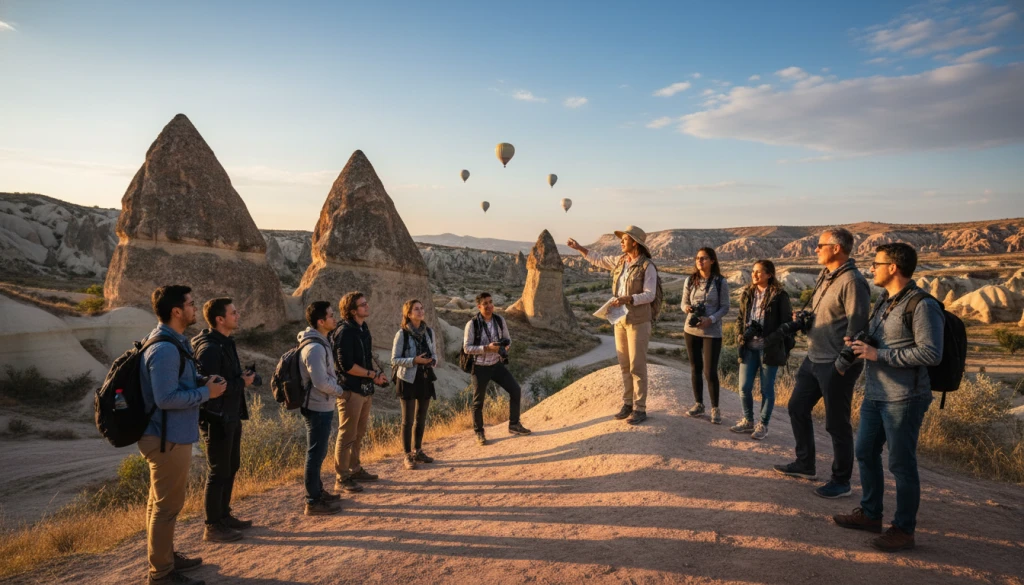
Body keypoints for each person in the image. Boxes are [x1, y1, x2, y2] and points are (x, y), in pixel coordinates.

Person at [833, 243, 943, 552]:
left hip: (905, 397)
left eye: (877, 263)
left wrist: (877, 354)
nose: (872, 268)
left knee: (901, 464)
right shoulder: (885, 300)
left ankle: (904, 529)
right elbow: (881, 341)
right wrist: (858, 344)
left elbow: (931, 353)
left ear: (893, 267)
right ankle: (870, 514)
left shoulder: (922, 305)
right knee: (865, 452)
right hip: (876, 394)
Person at [774, 227, 871, 499]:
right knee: (796, 407)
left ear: (837, 248)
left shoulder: (852, 281)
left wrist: (843, 364)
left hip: (835, 363)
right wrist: (805, 319)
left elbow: (858, 327)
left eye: (820, 245)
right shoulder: (827, 276)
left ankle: (842, 481)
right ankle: (805, 464)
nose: (815, 249)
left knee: (836, 423)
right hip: (814, 357)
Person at [139, 285, 225, 585]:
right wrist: (206, 392)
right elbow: (165, 398)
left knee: (159, 505)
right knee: (166, 507)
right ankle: (161, 574)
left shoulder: (173, 342)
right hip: (167, 438)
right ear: (177, 311)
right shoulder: (164, 348)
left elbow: (177, 382)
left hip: (169, 435)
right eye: (190, 304)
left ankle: (166, 557)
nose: (193, 308)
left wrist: (201, 380)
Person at [567, 225, 658, 425]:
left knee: (637, 365)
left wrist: (628, 298)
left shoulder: (647, 266)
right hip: (620, 319)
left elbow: (650, 295)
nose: (621, 242)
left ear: (635, 242)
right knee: (624, 364)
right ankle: (627, 404)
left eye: (624, 239)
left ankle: (640, 407)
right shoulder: (620, 261)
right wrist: (580, 248)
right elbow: (599, 259)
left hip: (638, 321)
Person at [192, 298, 256, 542]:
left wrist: (240, 376)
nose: (238, 315)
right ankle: (212, 525)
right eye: (234, 312)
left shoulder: (225, 343)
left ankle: (224, 516)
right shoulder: (210, 349)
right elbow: (214, 387)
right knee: (218, 471)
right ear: (220, 319)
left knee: (231, 466)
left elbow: (225, 377)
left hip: (229, 414)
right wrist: (243, 382)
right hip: (216, 418)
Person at [331, 292, 387, 493]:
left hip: (365, 389)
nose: (367, 306)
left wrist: (375, 376)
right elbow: (346, 365)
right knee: (346, 434)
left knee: (359, 433)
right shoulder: (345, 331)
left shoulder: (363, 328)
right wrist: (372, 374)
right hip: (350, 390)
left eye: (366, 303)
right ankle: (342, 476)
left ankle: (354, 469)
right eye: (363, 305)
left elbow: (365, 357)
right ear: (353, 310)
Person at [730, 260, 792, 440]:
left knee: (766, 389)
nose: (754, 275)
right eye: (753, 271)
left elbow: (787, 324)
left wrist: (769, 339)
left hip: (769, 349)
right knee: (743, 387)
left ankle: (763, 424)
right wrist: (740, 335)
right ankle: (748, 420)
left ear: (769, 274)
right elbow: (740, 318)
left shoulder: (780, 296)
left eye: (759, 272)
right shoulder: (748, 293)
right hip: (748, 347)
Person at [463, 292, 532, 445]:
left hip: (496, 365)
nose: (489, 306)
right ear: (479, 306)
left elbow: (508, 339)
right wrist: (487, 348)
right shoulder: (472, 324)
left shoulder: (499, 320)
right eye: (485, 303)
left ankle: (514, 424)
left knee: (515, 390)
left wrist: (505, 347)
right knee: (478, 402)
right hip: (480, 367)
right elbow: (467, 348)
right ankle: (479, 433)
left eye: (490, 302)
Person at [296, 301, 345, 516]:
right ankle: (312, 501)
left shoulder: (320, 342)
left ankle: (317, 492)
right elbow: (320, 382)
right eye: (331, 316)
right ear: (321, 321)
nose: (335, 319)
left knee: (319, 451)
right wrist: (339, 390)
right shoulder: (314, 348)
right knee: (315, 454)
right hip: (317, 405)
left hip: (321, 403)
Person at [682, 247, 730, 425]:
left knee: (710, 371)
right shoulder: (690, 280)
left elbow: (725, 307)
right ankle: (699, 404)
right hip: (691, 329)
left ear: (712, 261)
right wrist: (687, 309)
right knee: (695, 367)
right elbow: (683, 303)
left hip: (712, 331)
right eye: (697, 258)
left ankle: (715, 408)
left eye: (703, 258)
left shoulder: (720, 282)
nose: (700, 261)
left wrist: (711, 319)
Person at [391, 299, 439, 470]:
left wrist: (432, 361)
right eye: (416, 309)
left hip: (425, 378)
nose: (420, 312)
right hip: (407, 379)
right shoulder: (402, 334)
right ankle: (407, 455)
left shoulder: (429, 332)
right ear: (409, 314)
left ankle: (418, 451)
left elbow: (435, 353)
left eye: (421, 308)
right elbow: (394, 359)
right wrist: (414, 360)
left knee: (421, 418)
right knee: (408, 420)